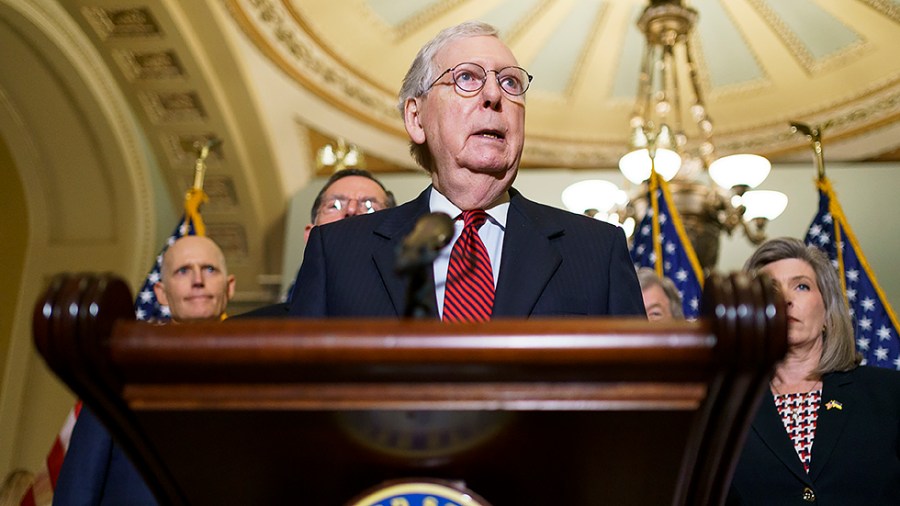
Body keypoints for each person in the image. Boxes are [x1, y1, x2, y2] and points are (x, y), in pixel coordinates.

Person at [287, 21, 644, 319]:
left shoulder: (598, 251)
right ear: (416, 117)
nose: (494, 94)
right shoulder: (337, 252)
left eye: (510, 82)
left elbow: (640, 395)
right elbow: (298, 393)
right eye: (467, 78)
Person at [53, 236, 235, 505]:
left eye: (209, 269)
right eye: (183, 271)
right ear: (161, 292)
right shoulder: (120, 368)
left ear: (229, 286)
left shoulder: (255, 375)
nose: (198, 280)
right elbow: (80, 482)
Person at [727, 237, 900, 505]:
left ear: (828, 314)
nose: (785, 299)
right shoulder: (727, 412)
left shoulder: (889, 394)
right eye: (770, 290)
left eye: (802, 286)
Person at [238, 168, 396, 317]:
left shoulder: (415, 322)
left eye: (369, 207)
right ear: (309, 235)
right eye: (334, 205)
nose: (351, 210)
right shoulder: (250, 331)